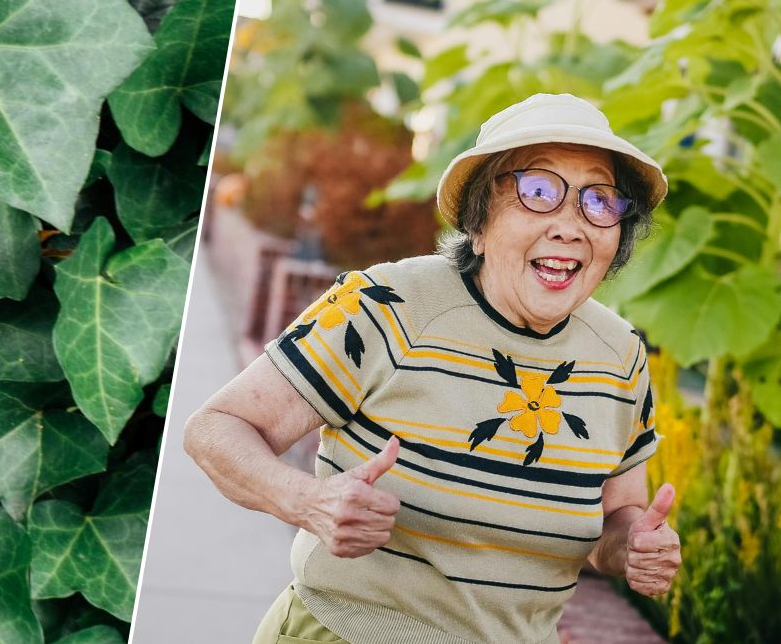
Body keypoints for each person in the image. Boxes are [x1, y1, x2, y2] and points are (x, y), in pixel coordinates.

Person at [184, 93, 683, 644]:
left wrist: (634, 542)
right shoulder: (387, 305)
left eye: (600, 201)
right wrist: (310, 502)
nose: (570, 225)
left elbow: (616, 518)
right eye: (538, 192)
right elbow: (215, 428)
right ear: (479, 220)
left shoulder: (621, 357)